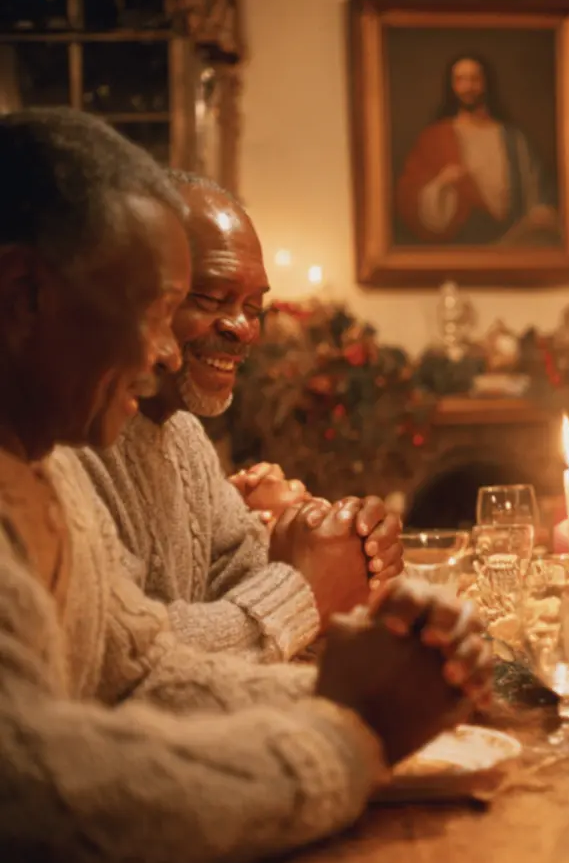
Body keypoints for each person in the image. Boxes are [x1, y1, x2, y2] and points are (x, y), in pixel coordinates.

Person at [0, 108, 491, 863]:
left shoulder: (38, 465)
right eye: (150, 311)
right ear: (23, 293)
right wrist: (348, 739)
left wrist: (378, 693)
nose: (164, 352)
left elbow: (141, 673)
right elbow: (30, 799)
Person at [76, 171, 401, 662]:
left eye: (255, 306)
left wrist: (343, 545)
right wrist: (304, 593)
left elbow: (243, 568)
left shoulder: (183, 436)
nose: (243, 328)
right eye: (210, 299)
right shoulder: (61, 442)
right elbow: (121, 657)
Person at [396, 54, 558, 246]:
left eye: (475, 79)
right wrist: (441, 183)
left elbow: (537, 194)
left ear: (486, 83)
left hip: (512, 242)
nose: (468, 87)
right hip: (461, 243)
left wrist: (540, 214)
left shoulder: (514, 139)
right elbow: (410, 198)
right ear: (452, 86)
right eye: (460, 80)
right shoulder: (435, 137)